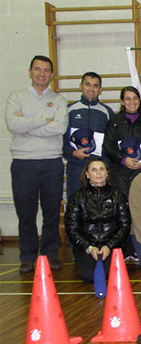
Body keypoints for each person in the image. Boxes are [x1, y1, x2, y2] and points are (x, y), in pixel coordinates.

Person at [5, 55, 68, 272]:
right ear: (30, 71)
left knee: (51, 212)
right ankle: (27, 255)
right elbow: (13, 123)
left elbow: (59, 127)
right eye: (37, 69)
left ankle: (50, 254)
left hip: (51, 162)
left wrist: (27, 124)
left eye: (46, 70)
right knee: (26, 212)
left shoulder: (58, 101)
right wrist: (45, 120)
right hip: (23, 162)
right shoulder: (16, 97)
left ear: (51, 74)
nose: (42, 74)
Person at [64, 158, 130, 282]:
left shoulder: (118, 196)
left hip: (111, 246)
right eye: (94, 170)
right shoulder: (77, 198)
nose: (98, 173)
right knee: (88, 276)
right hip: (87, 247)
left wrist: (108, 246)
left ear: (107, 173)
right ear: (87, 174)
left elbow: (124, 226)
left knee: (109, 275)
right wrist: (89, 247)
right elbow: (71, 229)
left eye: (102, 169)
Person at [103, 86, 141, 197]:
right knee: (121, 208)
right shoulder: (114, 121)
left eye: (135, 98)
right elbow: (107, 146)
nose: (132, 102)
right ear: (122, 101)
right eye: (128, 99)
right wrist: (123, 160)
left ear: (139, 100)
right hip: (119, 173)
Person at [64, 71, 114, 200]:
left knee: (98, 205)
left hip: (99, 170)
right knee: (75, 203)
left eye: (95, 86)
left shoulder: (107, 112)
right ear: (81, 86)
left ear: (100, 89)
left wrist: (105, 164)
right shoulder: (69, 110)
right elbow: (61, 138)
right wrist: (72, 153)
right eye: (88, 84)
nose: (91, 89)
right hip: (76, 165)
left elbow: (111, 140)